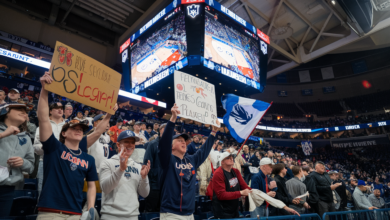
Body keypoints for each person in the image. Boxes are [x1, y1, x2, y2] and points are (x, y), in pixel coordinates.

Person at [36, 72, 116, 219]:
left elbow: (98, 132)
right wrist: (44, 89)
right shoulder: (53, 147)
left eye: (81, 129)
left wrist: (90, 209)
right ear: (64, 133)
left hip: (75, 214)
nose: (79, 130)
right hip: (50, 212)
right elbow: (42, 118)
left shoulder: (88, 158)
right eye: (74, 128)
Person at [158, 104, 219, 220]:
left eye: (185, 141)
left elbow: (203, 151)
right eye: (180, 140)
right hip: (171, 213)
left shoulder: (191, 160)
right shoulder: (167, 159)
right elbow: (164, 143)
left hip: (190, 213)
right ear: (171, 146)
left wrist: (213, 133)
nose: (184, 143)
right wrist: (173, 118)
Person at [99, 130, 151, 220]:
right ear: (118, 145)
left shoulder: (138, 167)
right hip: (110, 216)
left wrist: (144, 178)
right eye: (126, 141)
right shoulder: (107, 163)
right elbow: (105, 188)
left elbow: (145, 194)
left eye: (132, 142)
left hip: (132, 216)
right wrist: (120, 170)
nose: (130, 145)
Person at [0, 102, 34, 216]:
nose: (24, 113)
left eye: (26, 112)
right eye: (19, 109)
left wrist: (23, 163)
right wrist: (3, 134)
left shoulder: (26, 138)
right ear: (6, 112)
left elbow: (31, 166)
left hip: (8, 189)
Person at [33, 102, 66, 195]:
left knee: (61, 193)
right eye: (56, 108)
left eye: (61, 108)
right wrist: (49, 149)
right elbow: (36, 147)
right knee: (43, 192)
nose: (60, 109)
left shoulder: (69, 127)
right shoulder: (42, 126)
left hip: (64, 163)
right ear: (50, 111)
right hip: (45, 162)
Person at [212, 149, 251, 219]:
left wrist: (255, 192)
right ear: (222, 162)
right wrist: (240, 193)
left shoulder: (236, 171)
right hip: (223, 211)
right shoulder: (218, 173)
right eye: (228, 158)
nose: (231, 159)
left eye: (231, 157)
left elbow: (244, 186)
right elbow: (221, 195)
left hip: (234, 209)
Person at [143, 123, 166, 212]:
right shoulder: (152, 144)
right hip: (154, 185)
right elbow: (147, 162)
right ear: (160, 131)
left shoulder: (171, 145)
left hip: (166, 186)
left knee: (163, 211)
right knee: (151, 210)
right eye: (166, 129)